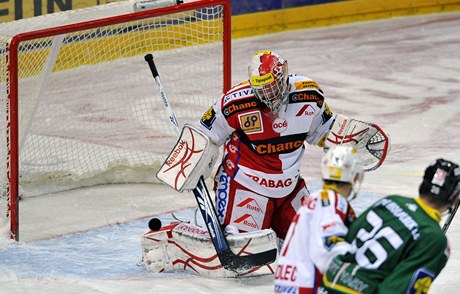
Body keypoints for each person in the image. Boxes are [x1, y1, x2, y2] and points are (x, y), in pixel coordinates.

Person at [195, 50, 335, 239]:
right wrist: (194, 162)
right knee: (246, 253)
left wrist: (344, 141)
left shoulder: (308, 94)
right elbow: (204, 135)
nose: (268, 96)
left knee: (318, 242)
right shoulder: (234, 103)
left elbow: (324, 131)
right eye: (262, 90)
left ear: (283, 76)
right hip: (245, 187)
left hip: (289, 189)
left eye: (272, 87)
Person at [320, 158, 460, 294]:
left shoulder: (390, 201)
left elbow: (349, 236)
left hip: (327, 282)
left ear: (422, 184)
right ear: (453, 199)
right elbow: (397, 290)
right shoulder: (434, 238)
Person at [274, 145, 365, 293]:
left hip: (290, 285)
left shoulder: (318, 199)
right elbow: (327, 248)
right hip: (306, 286)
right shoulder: (332, 201)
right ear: (355, 176)